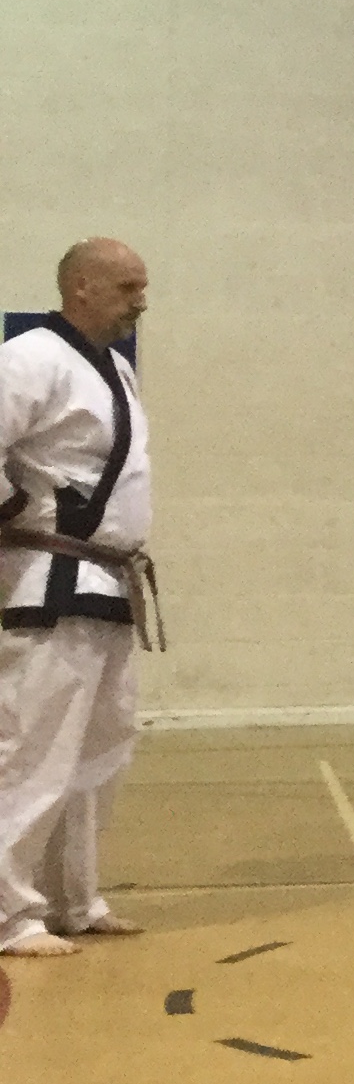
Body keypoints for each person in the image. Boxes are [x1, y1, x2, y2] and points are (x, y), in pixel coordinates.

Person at [0, 240, 158, 954]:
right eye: (128, 287)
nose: (140, 301)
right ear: (82, 286)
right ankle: (10, 911)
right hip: (50, 577)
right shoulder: (29, 356)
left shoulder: (115, 367)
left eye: (142, 287)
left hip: (107, 578)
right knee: (32, 749)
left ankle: (74, 898)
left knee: (98, 750)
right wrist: (17, 510)